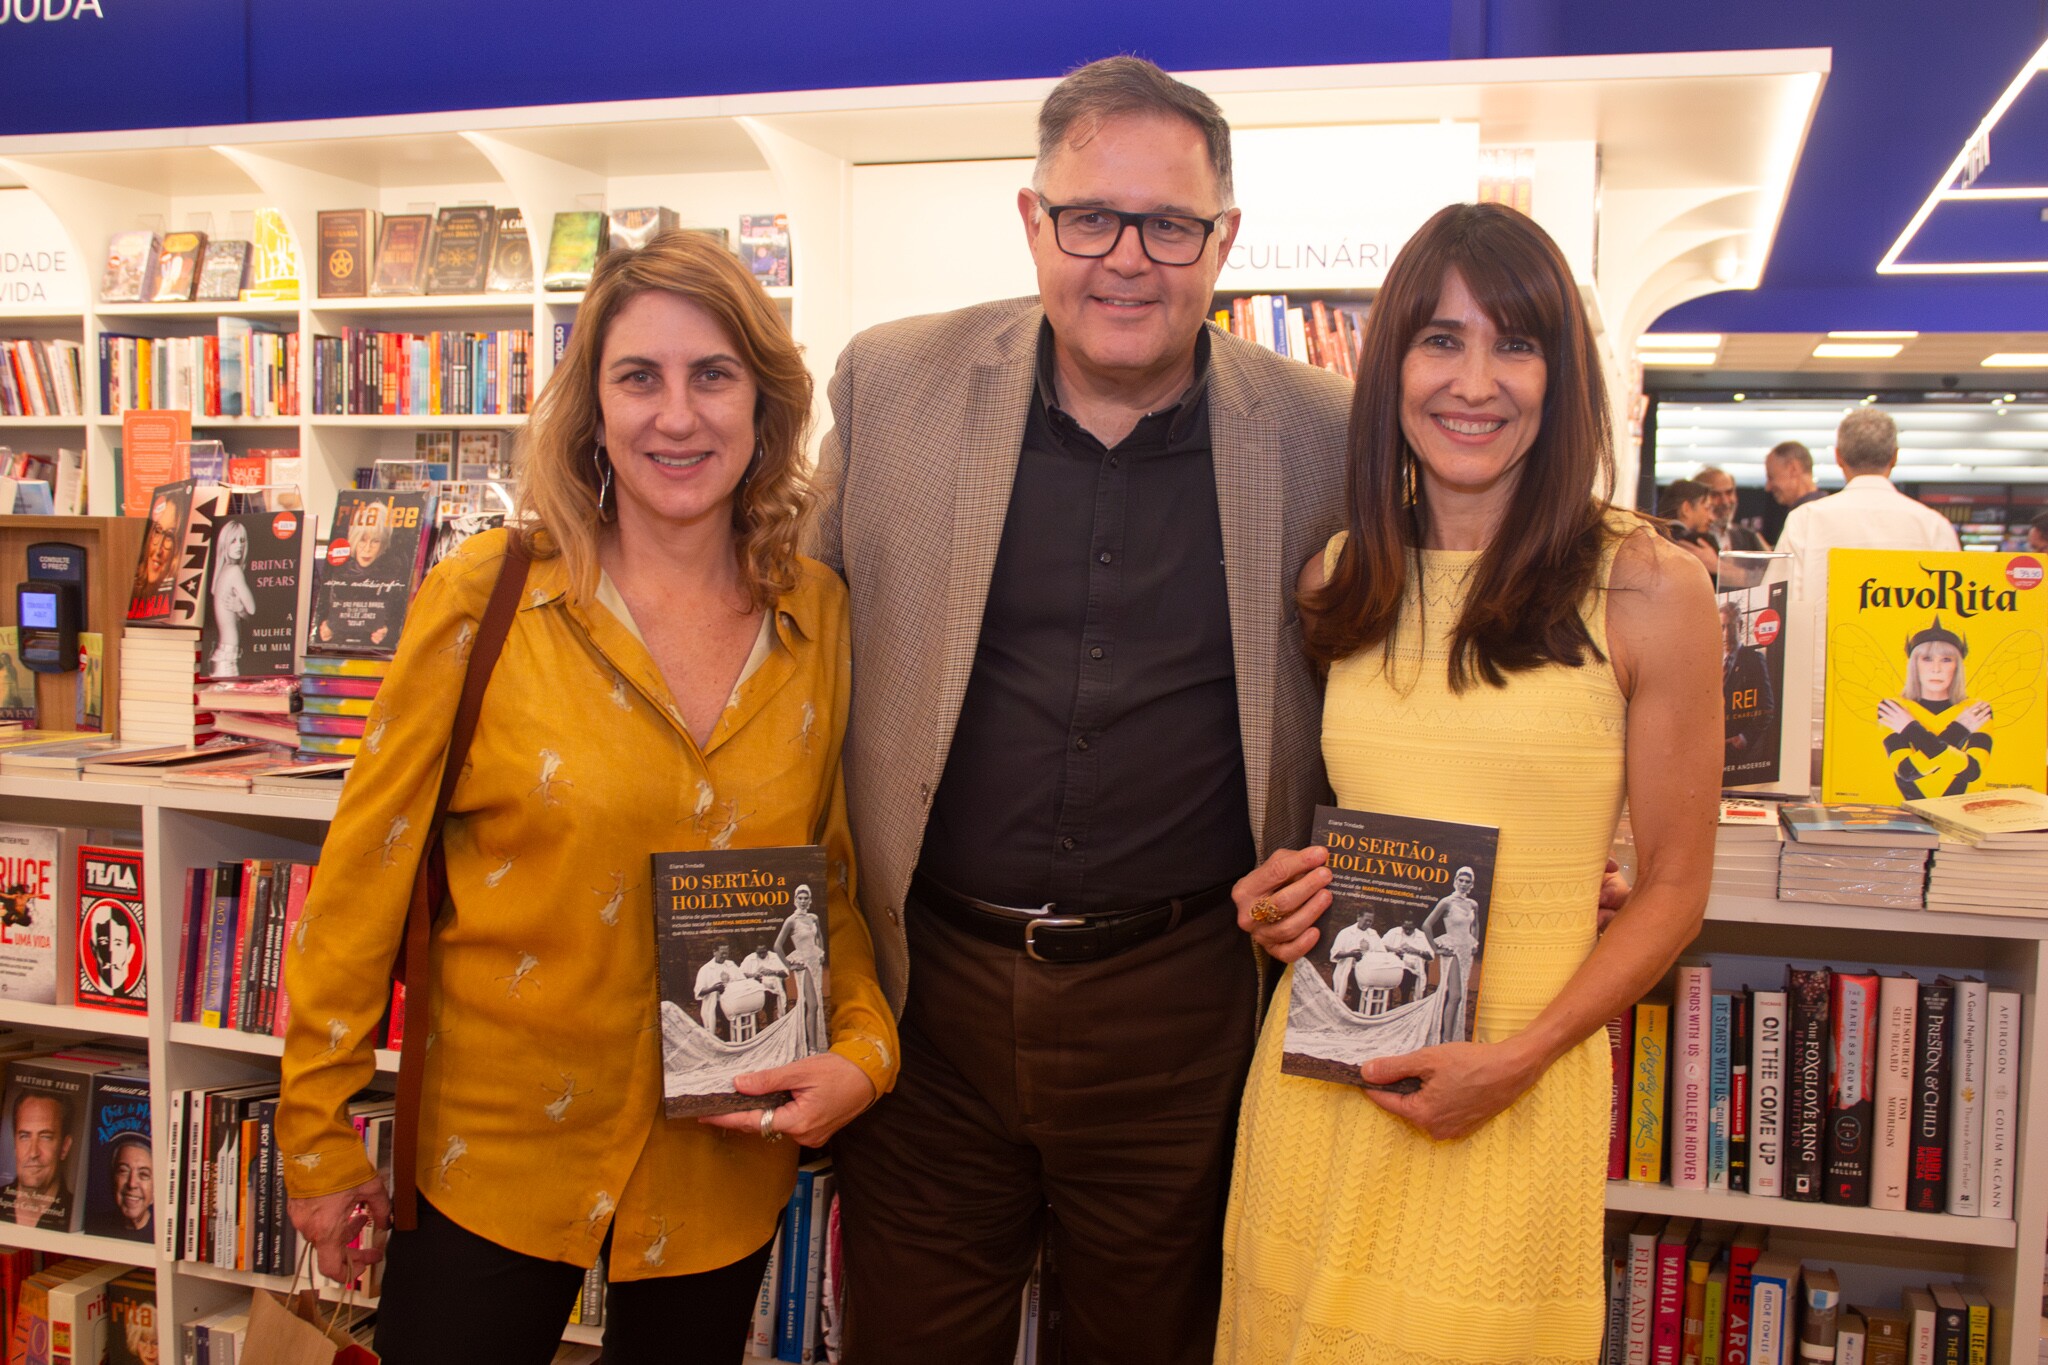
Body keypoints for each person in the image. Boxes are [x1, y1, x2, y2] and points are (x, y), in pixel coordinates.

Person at [277, 229, 898, 1365]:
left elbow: (830, 884)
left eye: (712, 375)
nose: (677, 415)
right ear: (592, 407)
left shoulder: (818, 616)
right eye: (637, 377)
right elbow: (363, 877)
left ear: (763, 402)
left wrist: (864, 1050)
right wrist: (315, 1136)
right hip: (496, 1157)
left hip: (718, 1162)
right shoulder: (489, 596)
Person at [815, 56, 1353, 1365]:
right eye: (1090, 218)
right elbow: (791, 640)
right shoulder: (893, 388)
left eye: (1171, 226)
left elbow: (1409, 682)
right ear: (1030, 220)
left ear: (1224, 240)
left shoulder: (1323, 435)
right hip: (927, 996)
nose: (1128, 259)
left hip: (1184, 1011)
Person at [1219, 202, 1718, 1364]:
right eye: (1439, 340)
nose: (1474, 382)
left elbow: (1675, 891)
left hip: (1516, 1085)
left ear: (1562, 376)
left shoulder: (1645, 585)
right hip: (1324, 1077)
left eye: (1515, 342)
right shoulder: (1338, 580)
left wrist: (1514, 1059)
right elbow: (1319, 840)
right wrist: (1270, 902)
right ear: (1389, 364)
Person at [1773, 408, 1959, 744]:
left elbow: (1778, 614)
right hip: (1916, 718)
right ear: (1895, 457)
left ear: (1838, 457)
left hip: (1819, 718)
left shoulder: (1806, 521)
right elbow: (1952, 624)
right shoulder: (1932, 527)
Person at [1881, 618, 1988, 798]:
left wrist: (1910, 728)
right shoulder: (1893, 707)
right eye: (1927, 659)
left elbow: (1972, 772)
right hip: (1907, 813)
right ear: (1915, 665)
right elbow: (1907, 771)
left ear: (1957, 666)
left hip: (1958, 813)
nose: (1936, 669)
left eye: (1946, 659)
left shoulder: (1977, 709)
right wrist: (1960, 730)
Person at [1420, 865, 1482, 1041]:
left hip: (1465, 952)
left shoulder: (1473, 904)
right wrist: (1436, 949)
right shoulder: (1447, 902)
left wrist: (1475, 942)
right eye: (1460, 880)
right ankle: (1446, 1039)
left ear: (1471, 885)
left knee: (1460, 996)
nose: (1463, 884)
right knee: (1455, 995)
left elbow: (1476, 924)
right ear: (1455, 881)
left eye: (1467, 881)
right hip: (1453, 950)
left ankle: (1451, 1036)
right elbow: (1426, 925)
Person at [3, 1091, 75, 1229]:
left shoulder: (77, 1215)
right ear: (14, 1144)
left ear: (64, 1147)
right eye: (24, 1136)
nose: (33, 1153)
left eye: (45, 1137)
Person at [772, 883, 826, 1053]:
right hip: (804, 965)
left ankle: (814, 1043)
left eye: (806, 898)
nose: (803, 901)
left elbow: (818, 936)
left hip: (815, 963)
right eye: (799, 898)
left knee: (816, 1004)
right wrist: (789, 965)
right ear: (795, 900)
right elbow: (777, 946)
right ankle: (812, 1048)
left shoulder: (814, 918)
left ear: (810, 900)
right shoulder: (791, 921)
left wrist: (821, 952)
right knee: (813, 1005)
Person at [207, 519, 256, 676]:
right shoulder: (234, 571)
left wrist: (239, 609)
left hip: (224, 654)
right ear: (224, 545)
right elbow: (252, 609)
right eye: (233, 541)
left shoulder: (222, 572)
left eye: (242, 540)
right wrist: (241, 608)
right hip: (227, 658)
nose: (239, 545)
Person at [1694, 465, 1767, 552]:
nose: (1725, 501)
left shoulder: (1748, 537)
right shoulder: (1688, 539)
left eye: (1729, 492)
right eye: (1715, 494)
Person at [1328, 907, 1381, 1010]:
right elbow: (1335, 954)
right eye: (1366, 920)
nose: (1368, 923)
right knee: (1357, 983)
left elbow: (1381, 952)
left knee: (1377, 983)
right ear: (1358, 917)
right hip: (1350, 968)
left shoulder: (1373, 934)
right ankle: (1352, 1009)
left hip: (1369, 970)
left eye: (1371, 921)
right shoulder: (1346, 933)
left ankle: (1366, 1011)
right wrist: (1350, 954)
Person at [107, 1130, 153, 1235]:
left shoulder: (166, 1235)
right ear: (113, 1178)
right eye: (123, 1171)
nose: (132, 1184)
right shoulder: (95, 1227)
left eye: (143, 1175)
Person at [694, 943, 742, 1035]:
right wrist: (713, 988)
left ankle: (731, 1040)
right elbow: (699, 991)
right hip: (715, 1002)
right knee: (711, 1022)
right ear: (714, 952)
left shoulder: (731, 965)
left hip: (732, 1001)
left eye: (726, 953)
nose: (724, 956)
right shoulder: (705, 969)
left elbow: (741, 980)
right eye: (722, 953)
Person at [1763, 440, 1824, 511]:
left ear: (1793, 469)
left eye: (1771, 477)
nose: (1768, 487)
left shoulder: (1804, 516)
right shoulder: (1830, 510)